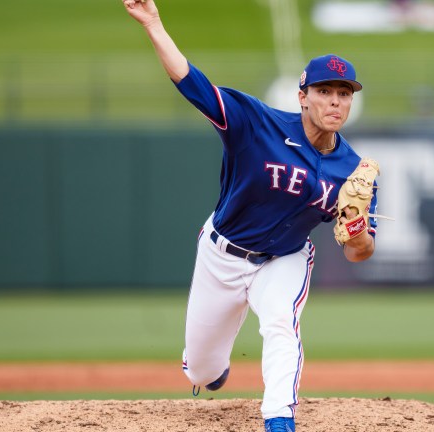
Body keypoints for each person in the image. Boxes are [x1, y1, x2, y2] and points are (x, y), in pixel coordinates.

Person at [121, 1, 379, 431]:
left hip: (283, 259)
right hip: (221, 254)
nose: (335, 101)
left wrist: (356, 235)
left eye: (344, 93)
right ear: (303, 96)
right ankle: (212, 370)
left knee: (281, 320)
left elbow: (360, 253)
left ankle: (279, 420)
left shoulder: (353, 171)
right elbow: (192, 82)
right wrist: (154, 24)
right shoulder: (257, 123)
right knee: (200, 372)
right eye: (324, 91)